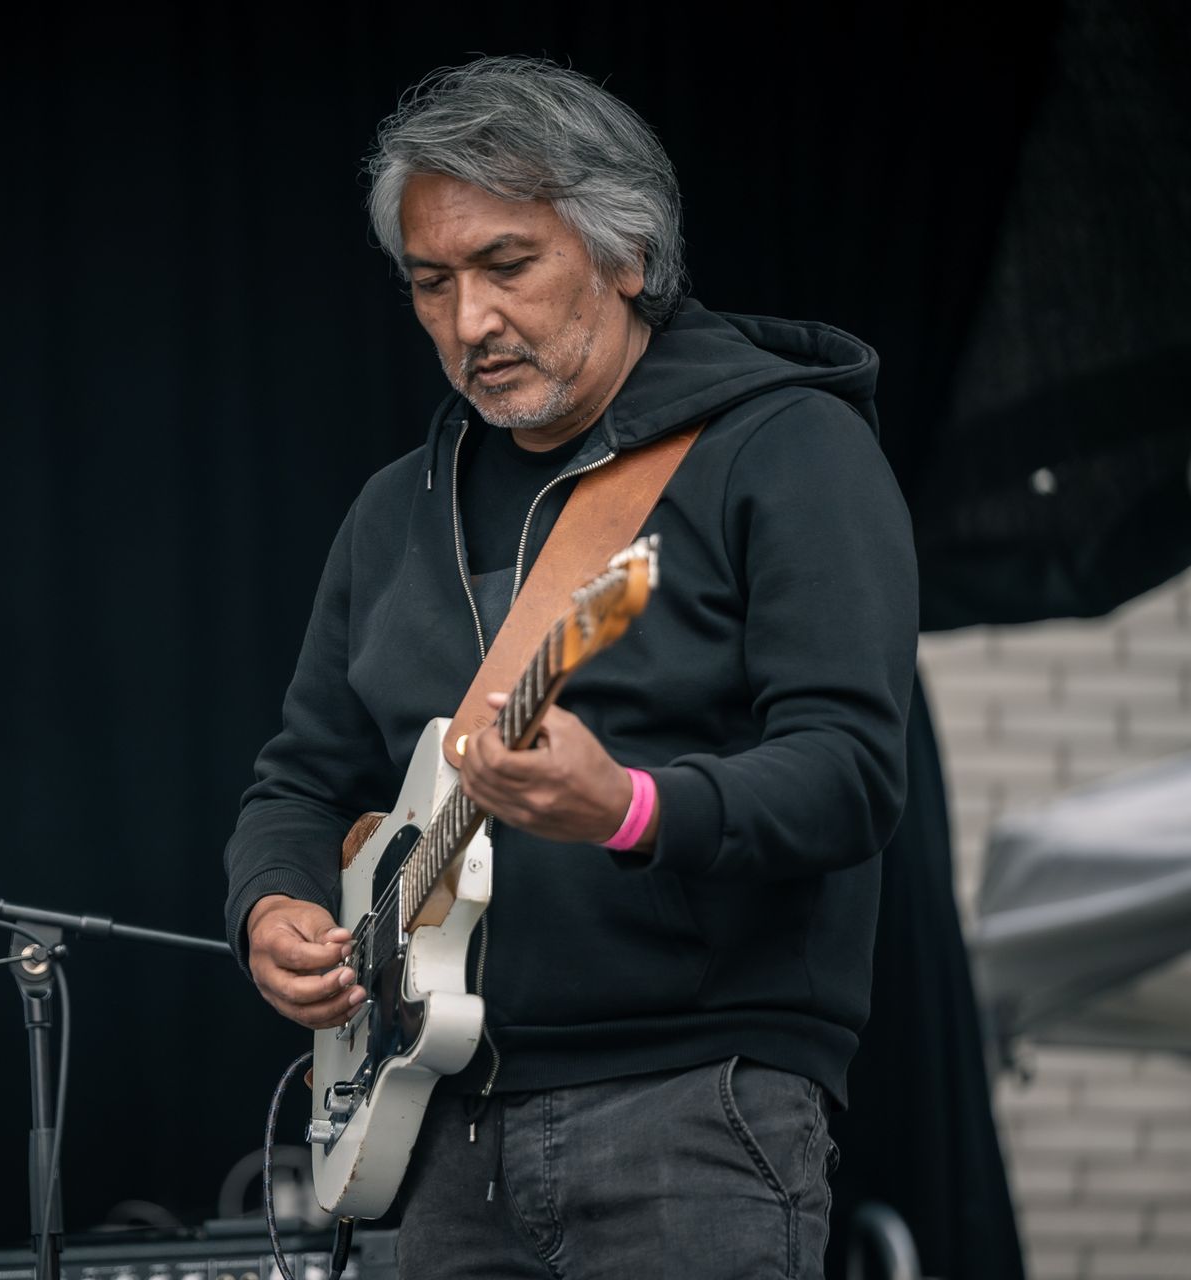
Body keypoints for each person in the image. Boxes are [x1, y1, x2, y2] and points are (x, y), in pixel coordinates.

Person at [223, 57, 917, 1278]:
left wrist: (631, 807)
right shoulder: (393, 509)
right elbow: (300, 779)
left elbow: (852, 773)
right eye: (431, 282)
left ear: (627, 253)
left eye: (507, 265)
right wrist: (270, 905)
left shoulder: (786, 447)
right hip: (430, 1129)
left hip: (694, 1108)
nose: (468, 322)